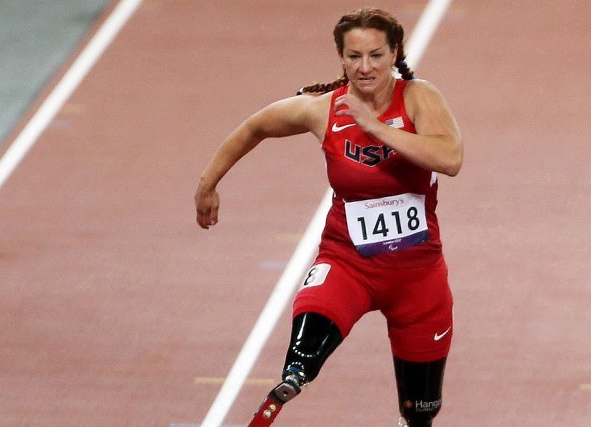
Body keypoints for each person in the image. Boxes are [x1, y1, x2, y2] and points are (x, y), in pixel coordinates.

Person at [194, 8, 462, 427]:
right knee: (302, 356)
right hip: (348, 263)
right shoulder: (322, 109)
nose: (365, 67)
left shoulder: (418, 97)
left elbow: (450, 158)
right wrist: (208, 183)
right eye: (354, 56)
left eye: (375, 55)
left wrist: (375, 127)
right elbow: (254, 128)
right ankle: (295, 375)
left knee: (420, 415)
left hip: (418, 277)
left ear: (394, 53)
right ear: (341, 57)